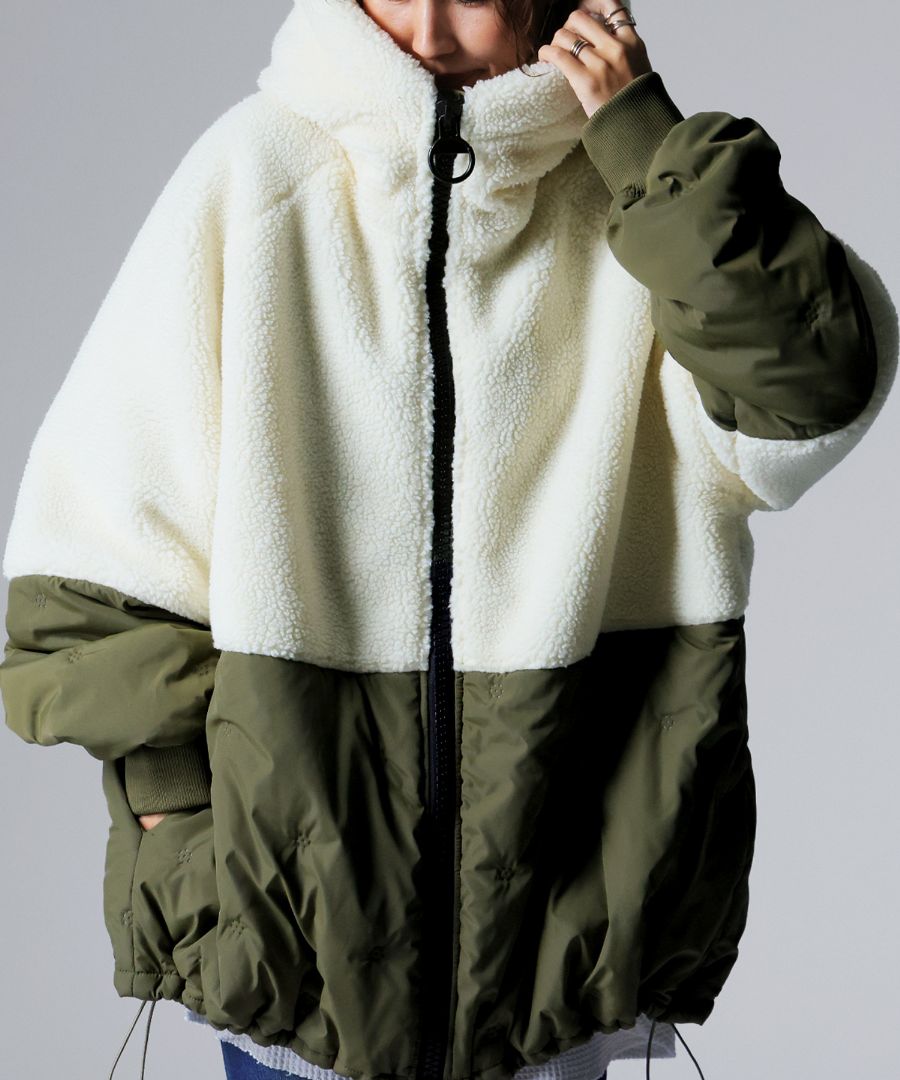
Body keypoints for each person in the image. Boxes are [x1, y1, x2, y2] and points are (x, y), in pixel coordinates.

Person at [0, 1, 895, 1079]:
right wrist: (179, 807)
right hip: (290, 957)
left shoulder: (645, 210)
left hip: (563, 949)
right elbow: (86, 561)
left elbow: (819, 386)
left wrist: (650, 154)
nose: (426, 32)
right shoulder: (254, 177)